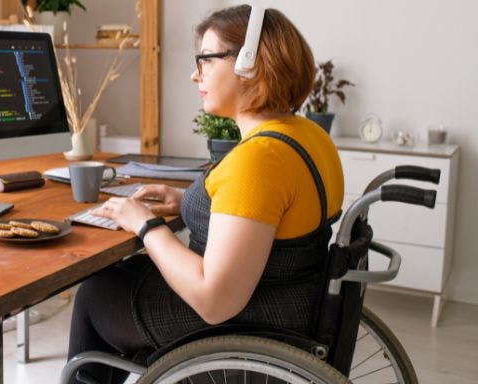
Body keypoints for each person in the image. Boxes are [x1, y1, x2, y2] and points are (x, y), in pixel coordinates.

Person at [65, 4, 345, 384]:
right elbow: (269, 217)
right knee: (119, 278)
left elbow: (215, 301)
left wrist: (146, 225)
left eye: (207, 60)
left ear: (251, 63)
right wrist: (185, 202)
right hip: (288, 303)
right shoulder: (307, 135)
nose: (194, 73)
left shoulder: (260, 159)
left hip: (246, 322)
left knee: (96, 295)